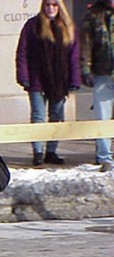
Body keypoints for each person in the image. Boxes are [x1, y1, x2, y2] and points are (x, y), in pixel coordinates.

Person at [16, 0, 81, 166]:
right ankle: (38, 152)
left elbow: (74, 57)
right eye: (47, 5)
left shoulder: (68, 26)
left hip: (59, 80)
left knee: (56, 116)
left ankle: (51, 151)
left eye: (54, 5)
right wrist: (23, 76)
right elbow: (22, 52)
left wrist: (75, 79)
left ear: (60, 7)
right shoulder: (33, 25)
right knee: (38, 116)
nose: (50, 8)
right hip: (37, 79)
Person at [80, 0, 114, 172]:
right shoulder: (93, 15)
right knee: (102, 116)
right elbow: (85, 44)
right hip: (103, 73)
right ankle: (104, 157)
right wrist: (85, 68)